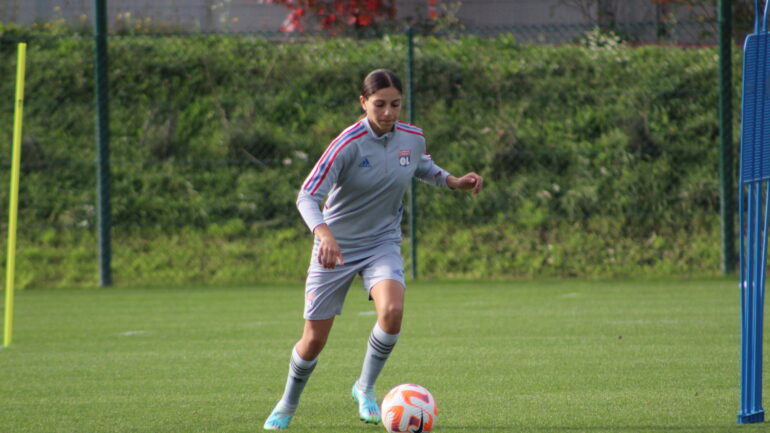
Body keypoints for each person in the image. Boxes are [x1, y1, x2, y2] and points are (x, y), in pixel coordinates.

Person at [263, 69, 483, 430]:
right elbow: (307, 195)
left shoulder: (412, 138)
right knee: (313, 340)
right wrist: (324, 234)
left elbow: (421, 166)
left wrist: (454, 181)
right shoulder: (347, 145)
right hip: (334, 248)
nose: (388, 113)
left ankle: (364, 389)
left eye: (395, 104)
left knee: (393, 311)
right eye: (379, 105)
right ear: (363, 102)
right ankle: (287, 403)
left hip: (382, 242)